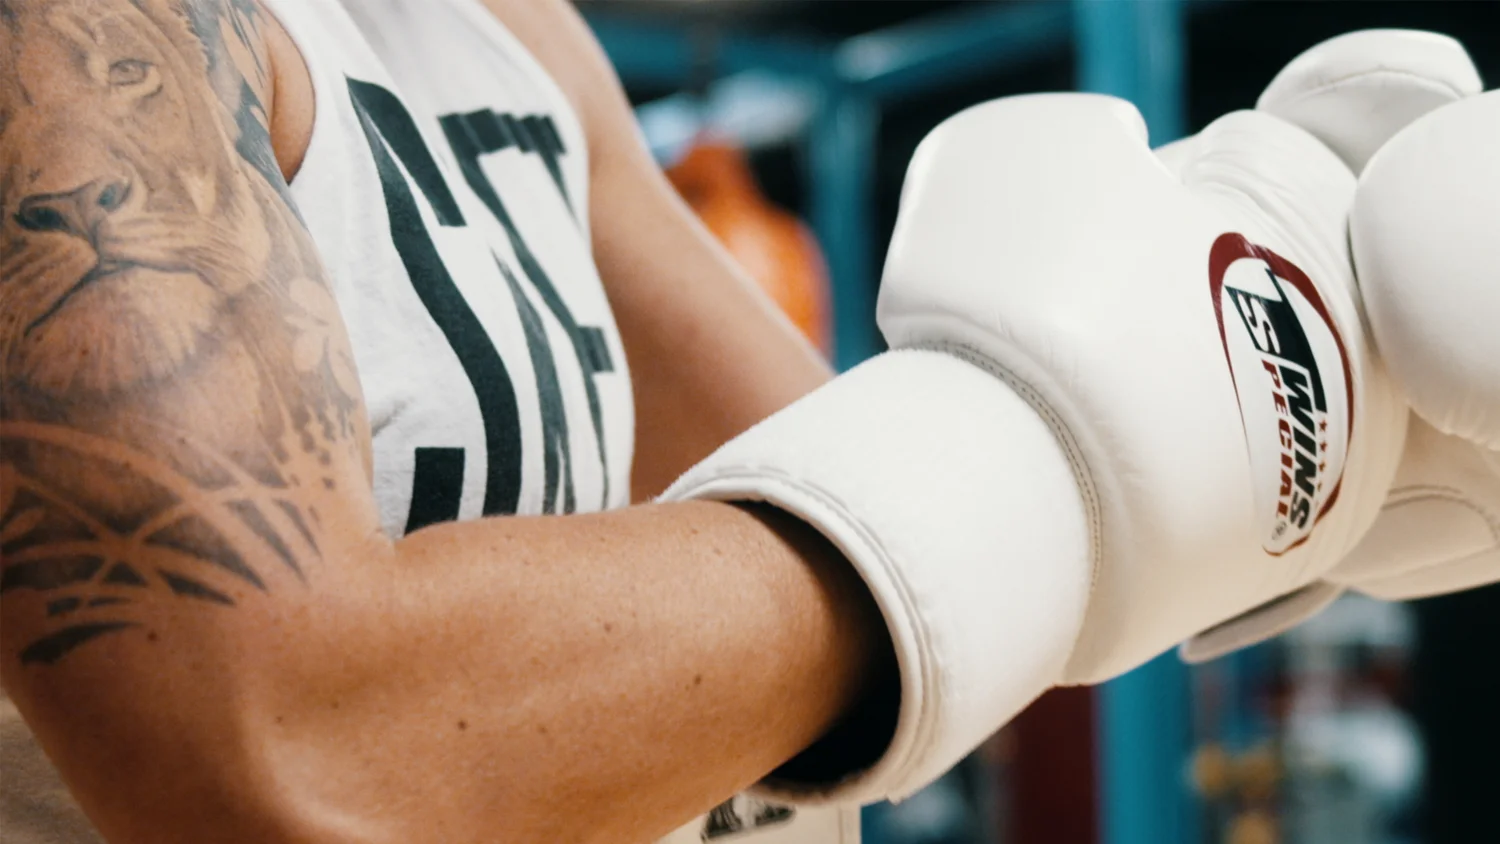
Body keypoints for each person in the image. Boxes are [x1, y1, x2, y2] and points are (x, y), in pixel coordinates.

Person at [0, 0, 1493, 840]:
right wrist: (1041, 466)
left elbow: (829, 569)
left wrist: (1320, 433)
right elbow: (288, 754)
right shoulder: (76, 39)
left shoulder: (507, 36)